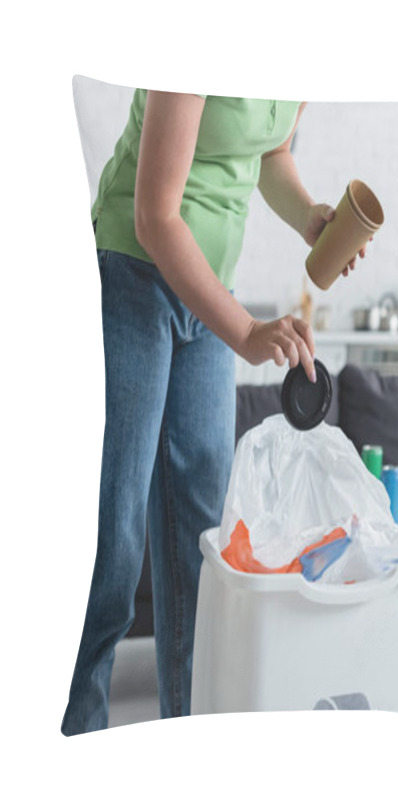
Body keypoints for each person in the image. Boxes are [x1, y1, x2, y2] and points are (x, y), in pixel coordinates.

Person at [61, 90, 364, 735]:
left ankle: (186, 749)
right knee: (112, 542)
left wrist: (309, 213)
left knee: (201, 548)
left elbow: (270, 153)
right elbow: (155, 217)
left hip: (207, 288)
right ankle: (68, 748)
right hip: (133, 274)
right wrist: (248, 333)